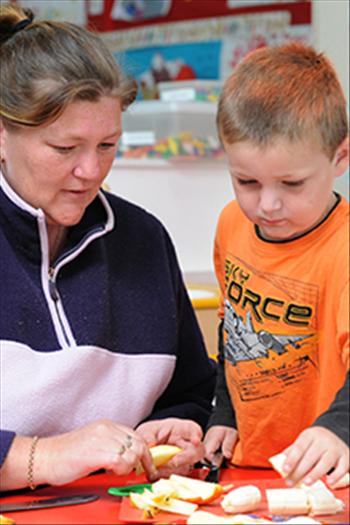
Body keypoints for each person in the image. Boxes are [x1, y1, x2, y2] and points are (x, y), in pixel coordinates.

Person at [0, 4, 216, 491]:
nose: (91, 172)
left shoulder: (144, 240)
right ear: (2, 134)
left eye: (107, 146)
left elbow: (191, 391)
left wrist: (177, 426)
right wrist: (44, 456)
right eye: (65, 149)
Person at [204, 42, 349, 488]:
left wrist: (339, 429)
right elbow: (234, 330)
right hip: (245, 468)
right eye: (246, 181)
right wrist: (223, 413)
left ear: (340, 158)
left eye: (291, 183)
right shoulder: (232, 224)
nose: (267, 204)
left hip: (325, 475)